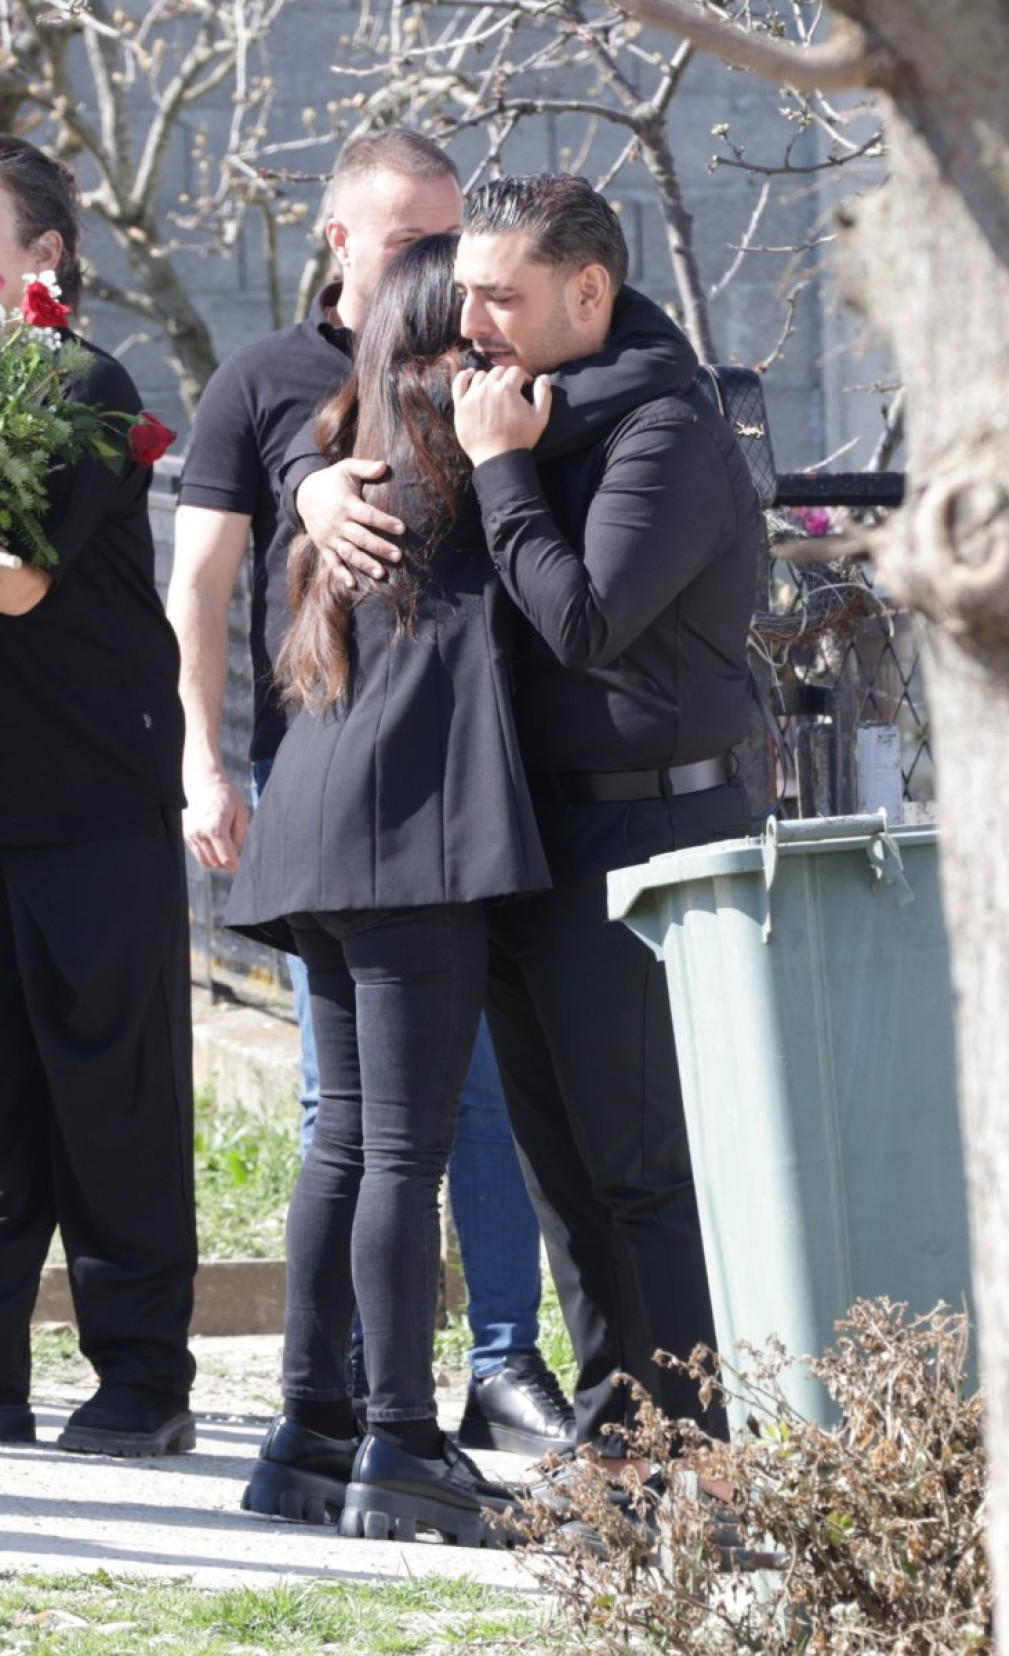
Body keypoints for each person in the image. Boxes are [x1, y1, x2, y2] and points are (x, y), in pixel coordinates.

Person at [291, 173, 761, 1473]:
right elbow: (342, 409)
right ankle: (618, 1443)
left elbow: (584, 622)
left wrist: (503, 468)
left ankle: (692, 1453)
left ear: (589, 292)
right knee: (564, 1171)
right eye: (467, 294)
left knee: (644, 1170)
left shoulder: (663, 429)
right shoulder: (525, 407)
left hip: (647, 839)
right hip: (531, 840)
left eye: (500, 296)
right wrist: (314, 486)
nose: (471, 321)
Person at [168, 130, 574, 1464]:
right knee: (394, 1138)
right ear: (341, 242)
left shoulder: (366, 435)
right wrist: (203, 762)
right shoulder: (415, 432)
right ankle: (392, 1428)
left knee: (365, 1133)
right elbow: (198, 586)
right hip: (396, 818)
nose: (456, 278)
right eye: (424, 250)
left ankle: (326, 1423)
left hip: (329, 817)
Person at [0, 136, 196, 1457]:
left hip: (93, 808)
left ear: (46, 255)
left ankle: (141, 1385)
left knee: (111, 1107)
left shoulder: (76, 382)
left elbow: (16, 580)